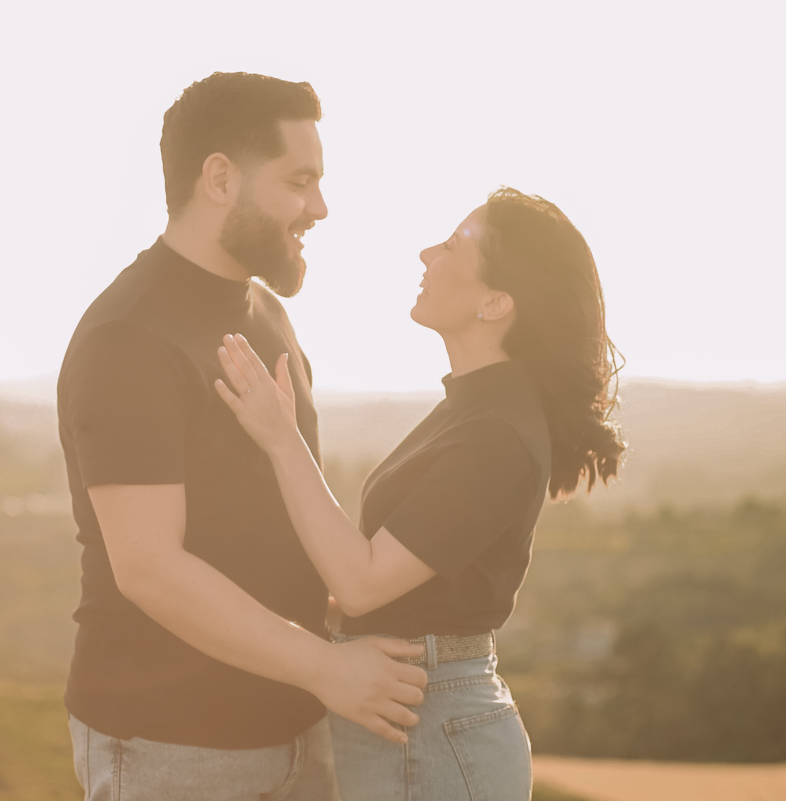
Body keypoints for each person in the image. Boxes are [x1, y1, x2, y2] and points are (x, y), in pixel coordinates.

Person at [56, 71, 427, 801]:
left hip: (297, 731)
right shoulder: (129, 335)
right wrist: (327, 667)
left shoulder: (266, 313)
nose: (319, 207)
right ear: (220, 178)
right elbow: (150, 568)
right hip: (171, 749)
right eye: (299, 181)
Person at [215, 187, 626, 801]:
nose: (427, 254)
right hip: (419, 717)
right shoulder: (476, 407)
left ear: (496, 302)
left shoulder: (497, 433)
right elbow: (392, 594)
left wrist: (281, 437)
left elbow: (363, 581)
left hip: (432, 729)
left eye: (454, 245)